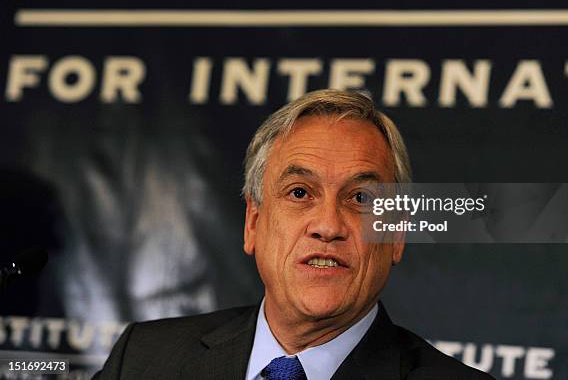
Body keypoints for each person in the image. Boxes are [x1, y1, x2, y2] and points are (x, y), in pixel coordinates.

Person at [93, 89, 493, 379]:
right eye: (299, 193)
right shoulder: (144, 359)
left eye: (360, 198)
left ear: (397, 236)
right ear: (253, 223)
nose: (328, 226)